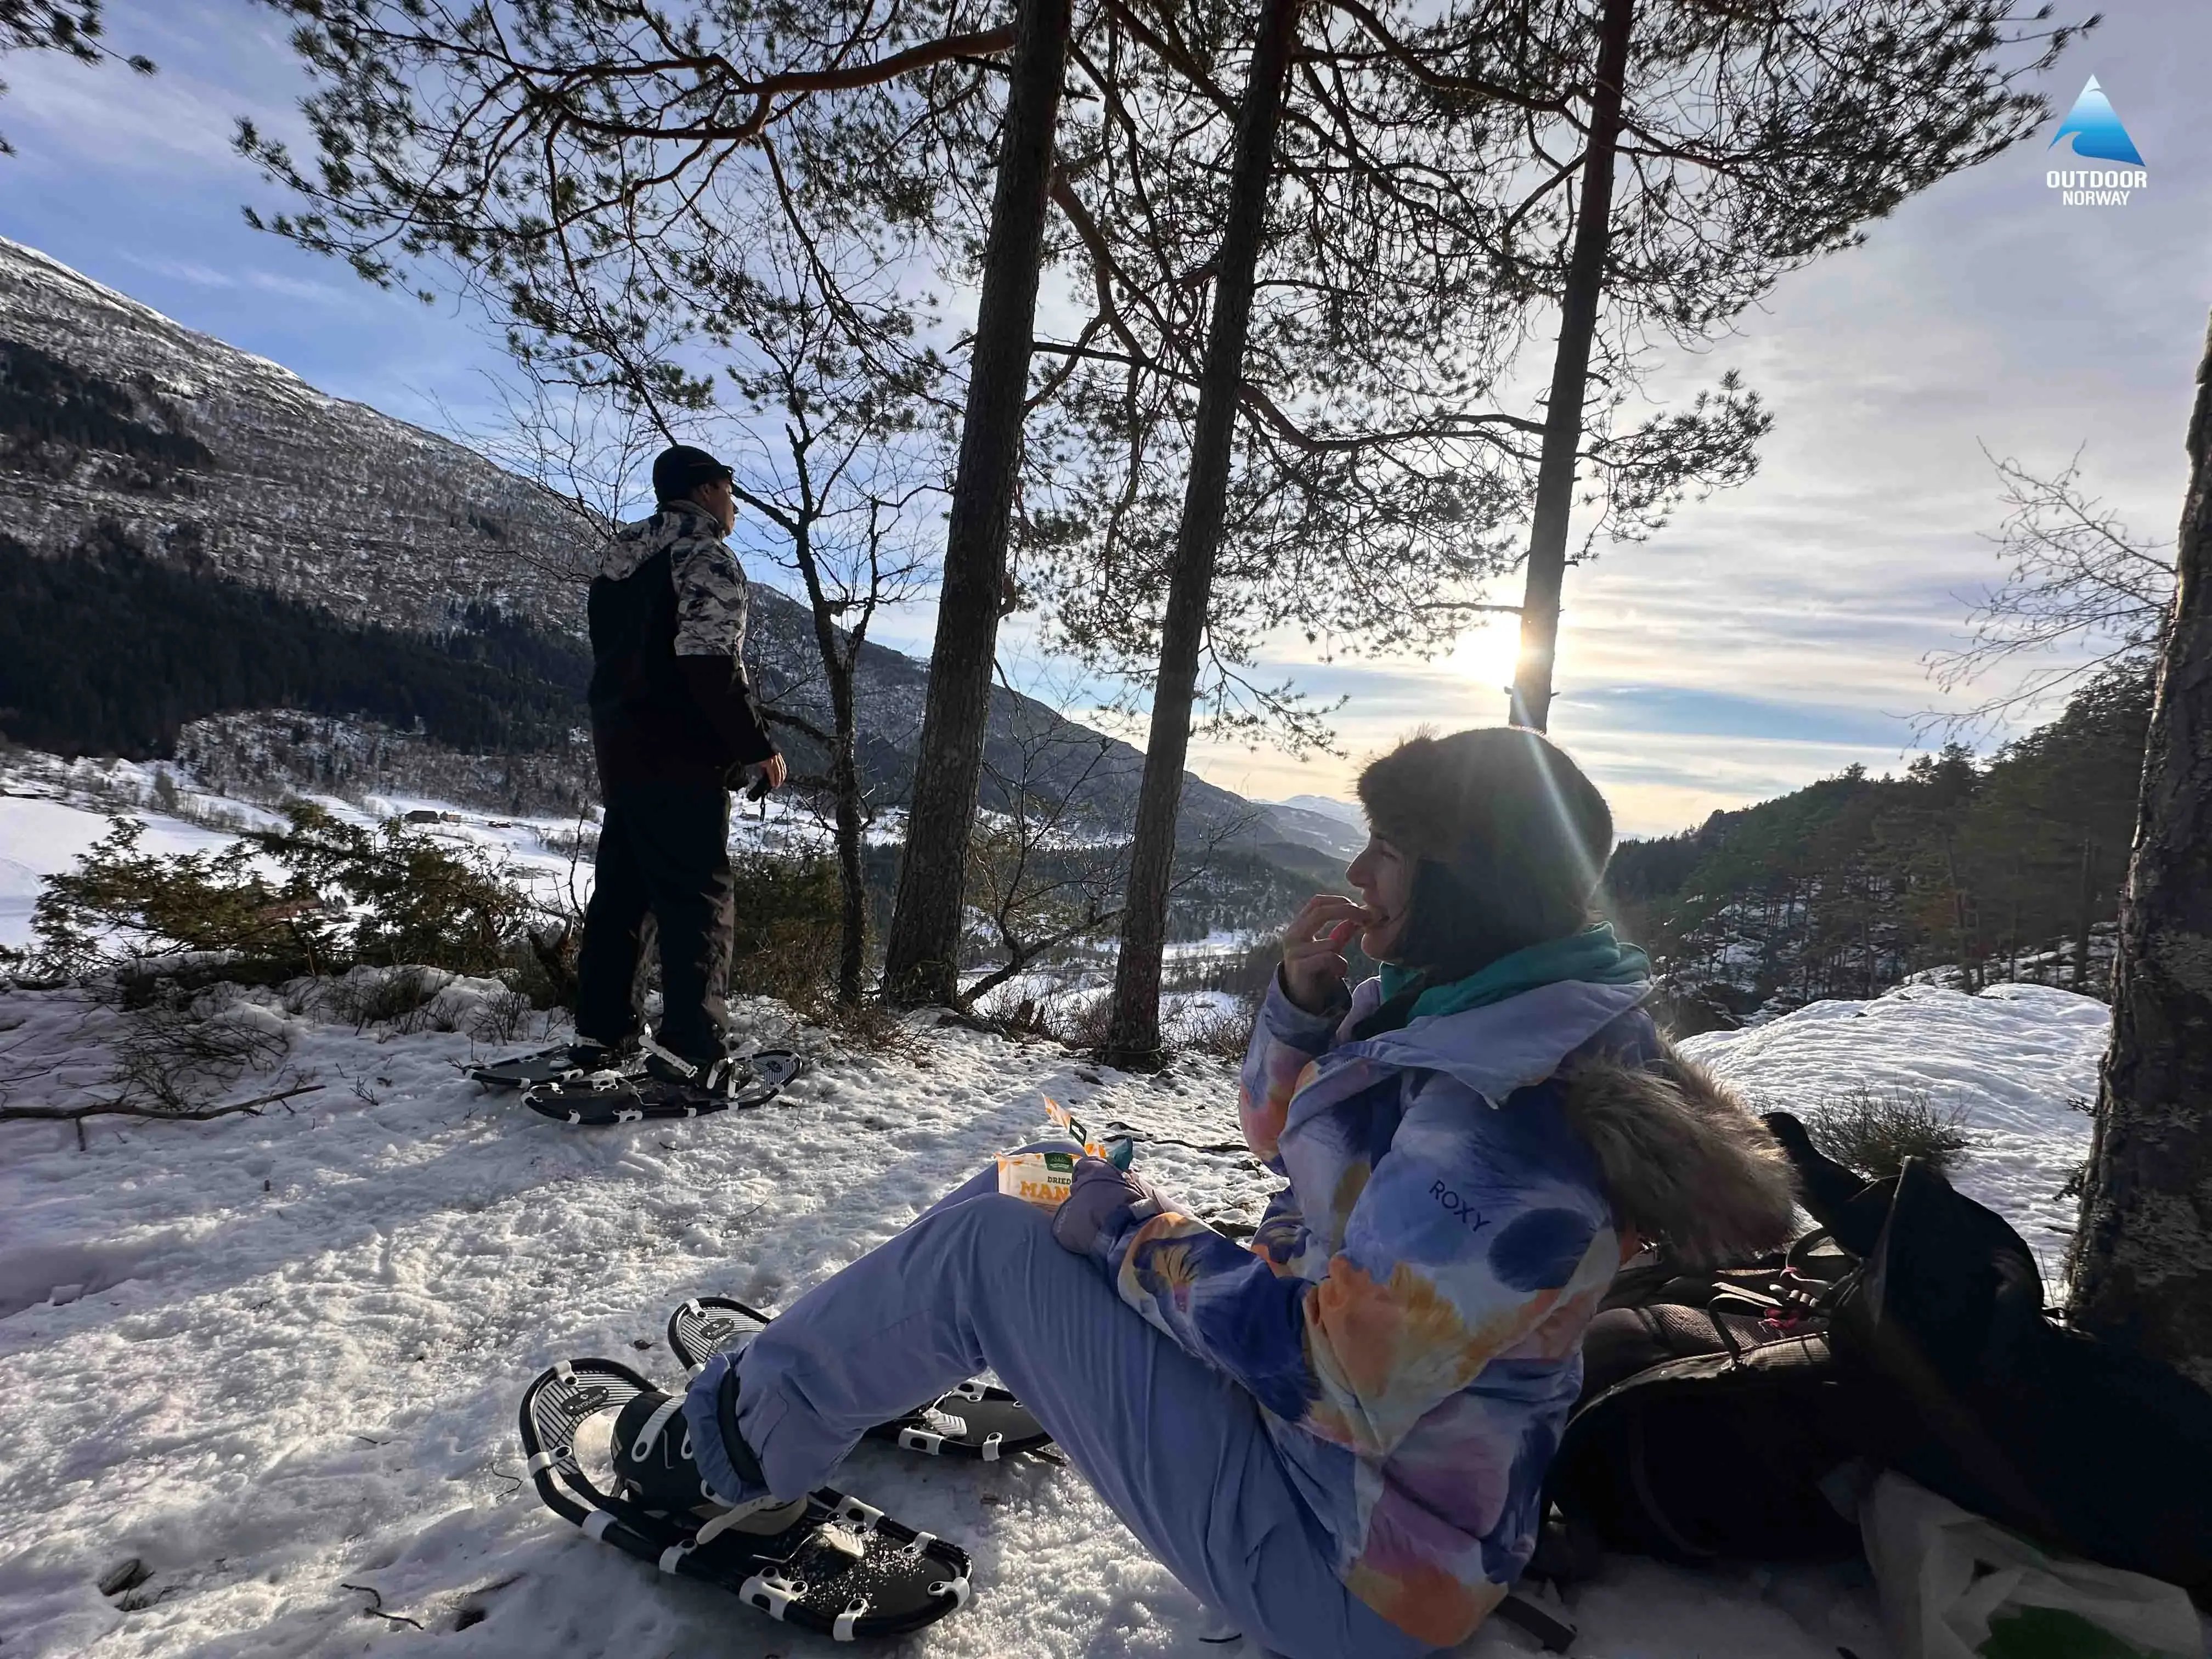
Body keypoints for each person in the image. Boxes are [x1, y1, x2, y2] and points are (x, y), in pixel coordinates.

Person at [603, 727, 1795, 1657]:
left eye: (1390, 848)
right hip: (1327, 1472)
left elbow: (1336, 1380)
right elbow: (1285, 1140)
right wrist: (1302, 1002)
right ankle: (866, 1354)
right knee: (1045, 1164)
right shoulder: (1485, 1005)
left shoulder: (1506, 1126)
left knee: (997, 1249)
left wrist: (1124, 1230)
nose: (1359, 868)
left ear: (1470, 882)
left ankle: (732, 1453)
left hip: (1350, 1569)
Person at [570, 443, 786, 1092]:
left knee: (621, 900)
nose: (734, 500)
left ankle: (600, 1033)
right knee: (698, 901)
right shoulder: (706, 556)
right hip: (682, 754)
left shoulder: (619, 562)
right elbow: (707, 663)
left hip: (621, 748)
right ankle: (693, 1053)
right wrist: (755, 746)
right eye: (728, 486)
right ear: (705, 489)